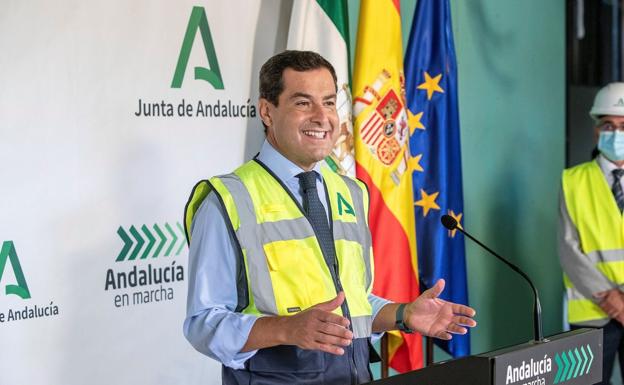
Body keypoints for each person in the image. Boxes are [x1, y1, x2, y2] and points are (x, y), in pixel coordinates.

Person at [183, 50, 476, 385]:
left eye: (328, 102)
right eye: (303, 103)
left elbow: (353, 303)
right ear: (267, 111)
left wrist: (403, 314)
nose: (322, 117)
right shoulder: (228, 199)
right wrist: (285, 329)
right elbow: (203, 323)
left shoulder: (352, 192)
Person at [559, 82, 624, 385]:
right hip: (593, 311)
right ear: (597, 130)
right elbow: (569, 249)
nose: (616, 132)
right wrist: (613, 299)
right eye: (608, 125)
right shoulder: (573, 181)